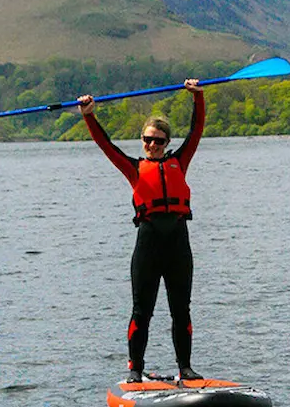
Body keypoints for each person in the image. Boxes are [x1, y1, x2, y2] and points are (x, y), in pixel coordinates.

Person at [77, 80, 206, 383]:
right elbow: (106, 145)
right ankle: (135, 369)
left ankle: (185, 368)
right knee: (141, 311)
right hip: (148, 245)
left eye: (159, 141)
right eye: (148, 140)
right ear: (142, 140)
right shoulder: (133, 168)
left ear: (167, 143)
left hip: (178, 244)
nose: (153, 145)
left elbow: (196, 130)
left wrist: (198, 97)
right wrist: (89, 115)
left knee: (181, 310)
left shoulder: (179, 162)